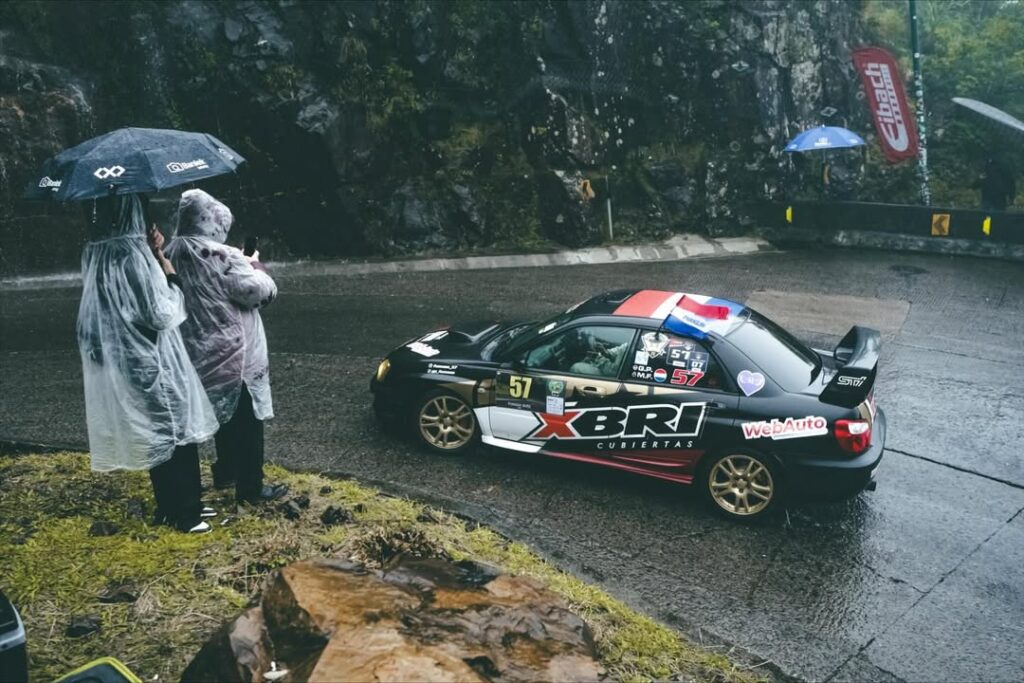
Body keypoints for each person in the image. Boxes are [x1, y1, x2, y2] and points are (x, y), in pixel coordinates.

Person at [76, 193, 220, 533]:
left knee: (160, 428)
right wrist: (170, 276)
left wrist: (155, 252)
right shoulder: (131, 255)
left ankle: (177, 504)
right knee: (174, 427)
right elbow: (157, 313)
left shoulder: (97, 251)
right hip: (152, 355)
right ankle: (185, 513)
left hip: (127, 355)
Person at [165, 189, 287, 507]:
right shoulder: (224, 256)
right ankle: (251, 488)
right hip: (234, 351)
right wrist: (255, 265)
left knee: (221, 411)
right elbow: (258, 293)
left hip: (193, 349)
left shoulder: (167, 253)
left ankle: (225, 472)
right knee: (247, 419)